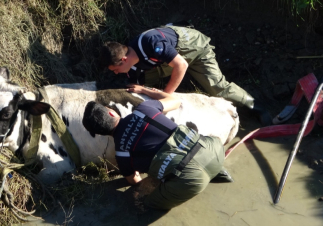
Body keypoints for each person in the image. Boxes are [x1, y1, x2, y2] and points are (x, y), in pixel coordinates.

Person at [82, 84, 227, 210]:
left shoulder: (122, 155)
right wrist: (145, 90)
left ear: (100, 133)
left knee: (142, 200)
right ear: (111, 112)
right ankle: (218, 171)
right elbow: (175, 101)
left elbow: (135, 181)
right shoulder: (144, 109)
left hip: (191, 181)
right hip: (214, 150)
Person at [99, 24, 272, 126]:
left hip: (195, 51)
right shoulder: (132, 66)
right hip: (169, 59)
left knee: (217, 88)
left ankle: (257, 106)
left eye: (114, 69)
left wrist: (166, 97)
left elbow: (181, 65)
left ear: (123, 59)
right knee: (142, 87)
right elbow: (137, 92)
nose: (115, 73)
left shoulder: (152, 43)